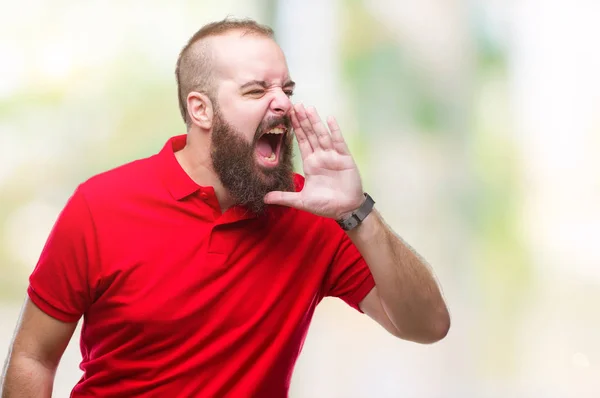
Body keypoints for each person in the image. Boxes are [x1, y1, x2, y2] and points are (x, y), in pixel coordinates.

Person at [1, 18, 450, 398]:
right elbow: (33, 356)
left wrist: (358, 212)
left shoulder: (319, 215)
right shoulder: (100, 206)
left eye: (286, 88)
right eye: (257, 91)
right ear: (201, 110)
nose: (283, 103)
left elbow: (428, 326)